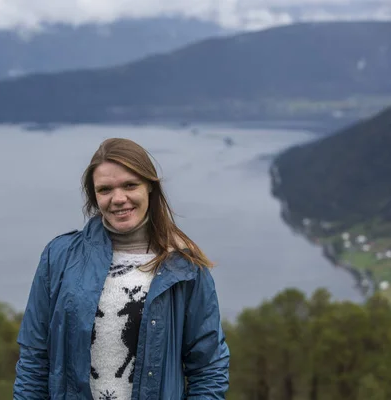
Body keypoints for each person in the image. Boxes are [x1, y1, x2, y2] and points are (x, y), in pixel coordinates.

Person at [13, 138, 230, 399]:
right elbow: (34, 360)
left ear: (150, 186)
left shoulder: (184, 266)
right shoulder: (59, 257)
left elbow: (209, 368)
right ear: (94, 196)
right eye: (105, 189)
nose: (119, 199)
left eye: (130, 185)